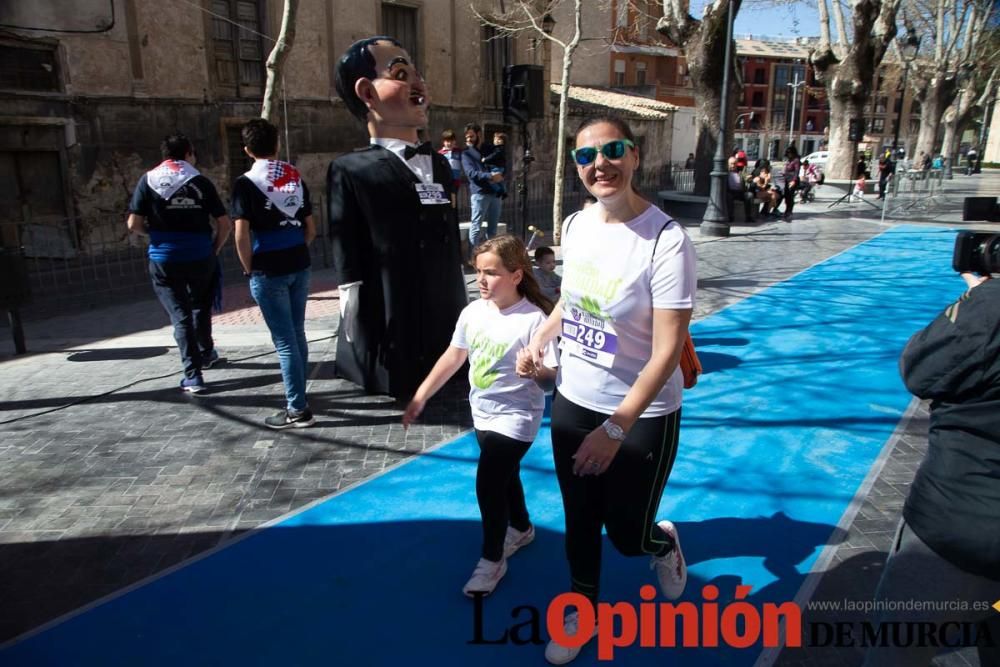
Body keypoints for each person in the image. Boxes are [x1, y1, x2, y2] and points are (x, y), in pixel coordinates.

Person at [523, 115, 696, 665]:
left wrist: (615, 428)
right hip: (575, 398)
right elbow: (574, 300)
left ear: (635, 155)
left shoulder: (667, 241)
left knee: (625, 532)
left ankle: (661, 543)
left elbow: (668, 349)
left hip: (644, 412)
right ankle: (582, 605)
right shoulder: (575, 226)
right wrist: (540, 340)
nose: (601, 164)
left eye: (613, 150)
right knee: (579, 515)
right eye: (586, 157)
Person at [402, 235, 557, 597]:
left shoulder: (536, 320)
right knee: (505, 476)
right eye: (478, 272)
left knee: (489, 482)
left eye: (492, 272)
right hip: (482, 413)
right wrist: (421, 396)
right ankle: (520, 527)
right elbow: (453, 357)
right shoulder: (472, 312)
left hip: (518, 417)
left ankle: (492, 560)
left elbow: (551, 383)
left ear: (517, 275)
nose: (481, 280)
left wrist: (536, 370)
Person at [861, 271, 1000, 667]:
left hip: (961, 526)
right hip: (966, 520)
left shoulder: (991, 308)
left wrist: (979, 297)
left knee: (898, 647)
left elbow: (921, 368)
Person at [327, 36, 468, 400]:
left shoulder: (437, 161)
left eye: (418, 74)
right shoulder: (350, 168)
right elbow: (346, 237)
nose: (419, 85)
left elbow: (447, 220)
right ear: (367, 93)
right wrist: (349, 291)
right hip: (390, 290)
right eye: (401, 73)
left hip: (440, 285)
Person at [126, 133, 231, 393]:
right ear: (188, 153)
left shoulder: (147, 180)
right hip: (200, 255)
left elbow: (133, 224)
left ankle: (193, 375)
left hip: (164, 258)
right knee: (200, 306)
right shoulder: (200, 181)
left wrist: (156, 235)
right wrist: (214, 247)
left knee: (180, 315)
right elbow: (224, 223)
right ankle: (206, 351)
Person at [232, 119, 317, 428]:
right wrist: (296, 248)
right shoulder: (294, 178)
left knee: (284, 341)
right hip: (299, 262)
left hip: (268, 268)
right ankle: (300, 395)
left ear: (247, 150)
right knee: (297, 333)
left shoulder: (245, 183)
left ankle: (297, 408)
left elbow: (240, 233)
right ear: (277, 145)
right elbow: (311, 228)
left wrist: (248, 266)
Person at [462, 123, 506, 252]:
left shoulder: (490, 149)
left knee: (493, 228)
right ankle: (473, 256)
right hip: (479, 193)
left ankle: (492, 255)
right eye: (467, 137)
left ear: (479, 135)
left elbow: (503, 161)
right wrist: (490, 176)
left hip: (495, 192)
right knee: (476, 227)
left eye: (471, 136)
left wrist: (502, 174)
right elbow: (471, 173)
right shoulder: (466, 153)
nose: (469, 139)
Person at [726, 155, 755, 222]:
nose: (733, 165)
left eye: (734, 164)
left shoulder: (741, 171)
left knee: (749, 195)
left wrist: (749, 178)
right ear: (728, 164)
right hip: (730, 192)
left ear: (737, 164)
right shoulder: (726, 172)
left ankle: (748, 217)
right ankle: (730, 216)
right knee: (728, 196)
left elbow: (747, 178)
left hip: (741, 192)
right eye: (731, 164)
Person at [482, 131, 508, 198]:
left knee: (491, 180)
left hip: (497, 167)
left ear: (502, 141)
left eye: (499, 139)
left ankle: (499, 190)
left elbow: (494, 155)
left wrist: (485, 159)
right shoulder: (497, 148)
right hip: (497, 167)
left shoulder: (499, 149)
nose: (496, 141)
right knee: (499, 180)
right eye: (495, 139)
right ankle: (504, 192)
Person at [782, 145, 801, 221]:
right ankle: (787, 209)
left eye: (790, 153)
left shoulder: (796, 160)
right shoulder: (789, 160)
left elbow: (796, 171)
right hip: (787, 179)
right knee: (786, 195)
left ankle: (789, 211)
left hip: (792, 180)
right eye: (788, 153)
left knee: (790, 196)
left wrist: (794, 180)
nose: (789, 154)